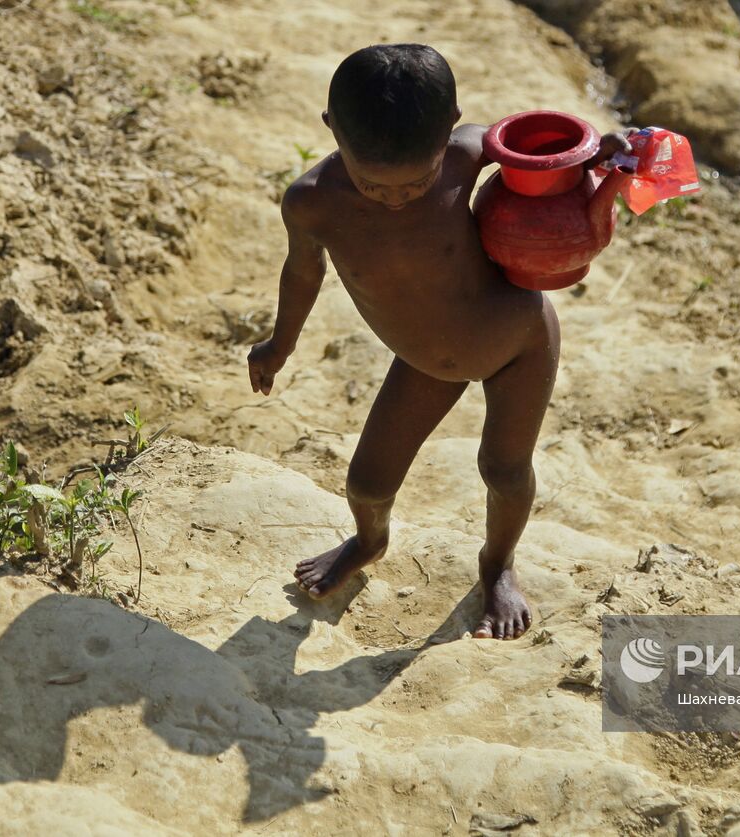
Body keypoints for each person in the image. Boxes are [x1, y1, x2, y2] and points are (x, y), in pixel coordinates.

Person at [246, 44, 628, 640]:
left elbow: (553, 159)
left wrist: (603, 155)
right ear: (331, 131)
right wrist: (280, 344)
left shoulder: (467, 152)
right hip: (425, 362)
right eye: (374, 187)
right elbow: (303, 273)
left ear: (451, 126)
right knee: (367, 484)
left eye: (416, 182)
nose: (397, 197)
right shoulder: (313, 201)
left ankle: (497, 565)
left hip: (517, 340)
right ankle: (370, 542)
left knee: (503, 469)